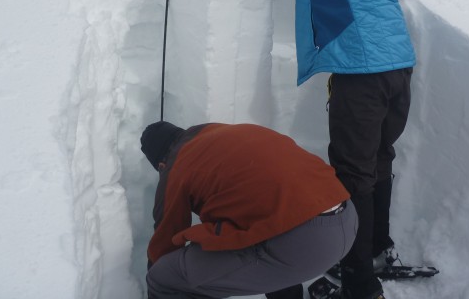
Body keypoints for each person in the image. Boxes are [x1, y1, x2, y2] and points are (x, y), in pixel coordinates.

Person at [169, 0, 416, 299]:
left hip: (362, 71)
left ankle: (358, 282)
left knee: (352, 176)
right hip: (399, 68)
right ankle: (375, 249)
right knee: (377, 160)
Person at [141, 121, 357, 299]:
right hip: (347, 218)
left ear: (161, 165)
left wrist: (159, 271)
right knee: (260, 230)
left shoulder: (175, 168)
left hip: (303, 244)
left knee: (164, 278)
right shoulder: (221, 134)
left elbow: (164, 242)